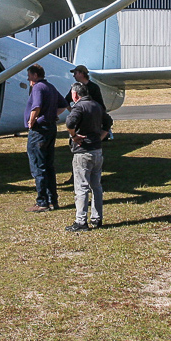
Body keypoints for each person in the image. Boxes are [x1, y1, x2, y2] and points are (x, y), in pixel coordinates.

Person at [64, 82, 105, 232]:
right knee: (96, 186)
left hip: (83, 151)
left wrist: (74, 136)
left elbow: (69, 122)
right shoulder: (96, 105)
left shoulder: (79, 107)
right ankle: (97, 217)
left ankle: (81, 221)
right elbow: (108, 122)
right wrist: (99, 138)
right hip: (97, 151)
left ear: (75, 94)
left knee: (81, 187)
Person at [24, 64, 63, 212]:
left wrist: (32, 121)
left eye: (29, 75)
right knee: (48, 165)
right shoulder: (50, 87)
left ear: (34, 75)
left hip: (39, 132)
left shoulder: (38, 88)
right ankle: (53, 200)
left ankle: (42, 202)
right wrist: (52, 115)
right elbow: (63, 104)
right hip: (50, 128)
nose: (28, 79)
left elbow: (36, 106)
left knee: (38, 166)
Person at [65, 65, 113, 140]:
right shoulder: (74, 88)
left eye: (75, 73)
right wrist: (71, 110)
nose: (74, 76)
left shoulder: (94, 87)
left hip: (92, 117)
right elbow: (66, 101)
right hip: (81, 117)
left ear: (81, 73)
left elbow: (100, 104)